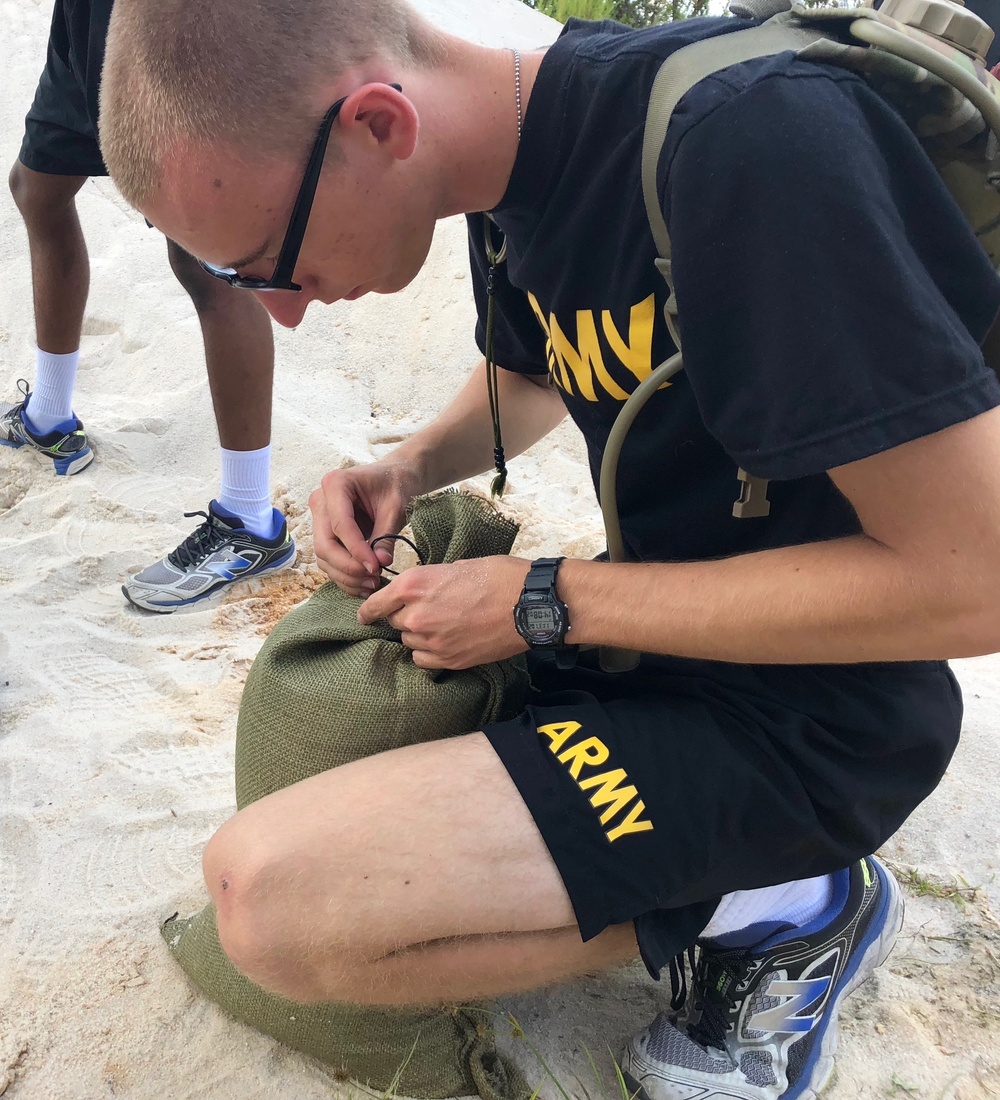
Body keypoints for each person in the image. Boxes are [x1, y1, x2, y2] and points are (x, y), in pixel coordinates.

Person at [98, 0, 1000, 1096]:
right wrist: (411, 465)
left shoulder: (748, 148)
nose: (283, 314)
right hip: (655, 651)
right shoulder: (509, 161)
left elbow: (973, 580)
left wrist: (548, 600)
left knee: (270, 906)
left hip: (814, 718)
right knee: (328, 751)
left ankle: (790, 902)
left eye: (267, 261)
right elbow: (540, 370)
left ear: (380, 124)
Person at [1, 0, 295, 613]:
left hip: (178, 22)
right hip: (89, 20)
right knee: (38, 187)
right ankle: (49, 419)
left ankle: (250, 519)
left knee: (207, 259)